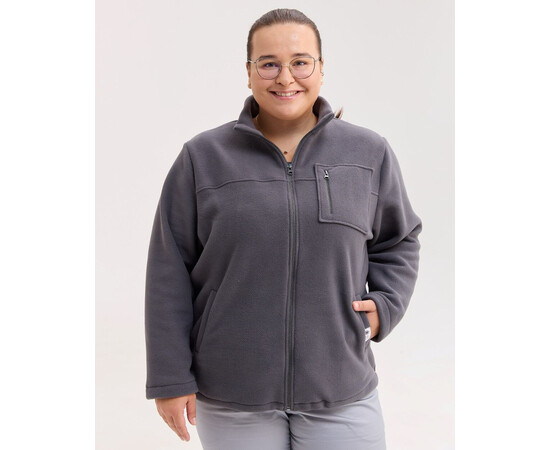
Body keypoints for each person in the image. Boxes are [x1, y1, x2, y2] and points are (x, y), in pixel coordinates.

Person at [145, 8, 422, 450]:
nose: (286, 77)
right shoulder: (203, 157)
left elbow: (398, 239)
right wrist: (170, 377)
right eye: (269, 63)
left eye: (300, 62)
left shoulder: (368, 152)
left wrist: (385, 304)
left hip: (341, 386)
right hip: (232, 394)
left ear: (321, 68)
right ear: (249, 72)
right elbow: (168, 270)